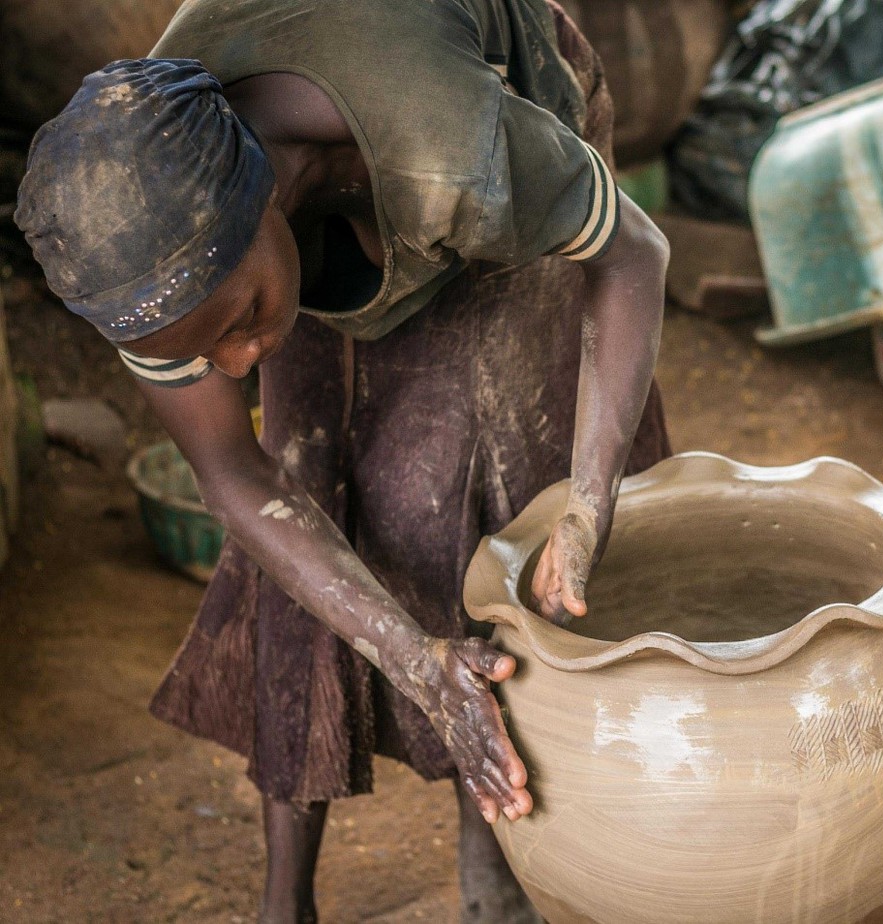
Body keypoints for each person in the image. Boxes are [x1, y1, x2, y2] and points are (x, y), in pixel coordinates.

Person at [14, 1, 671, 920]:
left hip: (494, 108)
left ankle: (503, 864)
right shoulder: (133, 248)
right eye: (205, 353)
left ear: (269, 204)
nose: (241, 363)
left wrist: (588, 502)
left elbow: (633, 252)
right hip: (305, 200)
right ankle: (288, 899)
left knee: (492, 509)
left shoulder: (452, 146)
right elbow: (242, 482)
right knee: (304, 479)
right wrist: (412, 659)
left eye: (242, 320)